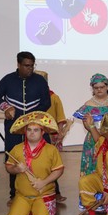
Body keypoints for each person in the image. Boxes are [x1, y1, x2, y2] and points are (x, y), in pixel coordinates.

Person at [0, 51, 51, 203]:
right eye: (26, 66)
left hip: (36, 126)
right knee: (13, 158)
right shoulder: (8, 79)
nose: (30, 69)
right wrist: (6, 107)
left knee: (45, 156)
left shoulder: (39, 80)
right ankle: (14, 193)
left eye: (32, 66)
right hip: (13, 126)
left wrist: (32, 116)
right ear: (18, 64)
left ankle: (52, 191)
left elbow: (47, 102)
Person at [5, 112, 64, 215]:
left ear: (42, 132)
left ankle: (36, 209)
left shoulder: (51, 149)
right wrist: (16, 169)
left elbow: (59, 170)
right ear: (25, 131)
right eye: (29, 130)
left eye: (36, 130)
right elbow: (8, 167)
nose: (32, 133)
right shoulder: (17, 149)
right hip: (23, 194)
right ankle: (29, 209)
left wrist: (44, 182)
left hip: (43, 193)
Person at [72, 73, 108, 178]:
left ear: (107, 86)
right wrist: (94, 130)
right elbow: (86, 124)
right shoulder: (88, 104)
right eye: (96, 88)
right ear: (92, 88)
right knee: (94, 165)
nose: (99, 90)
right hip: (93, 139)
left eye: (102, 87)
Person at [35, 69, 71, 203]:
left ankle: (56, 192)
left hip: (50, 136)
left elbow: (60, 118)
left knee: (51, 165)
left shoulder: (54, 97)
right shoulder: (31, 98)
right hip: (34, 135)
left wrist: (60, 133)